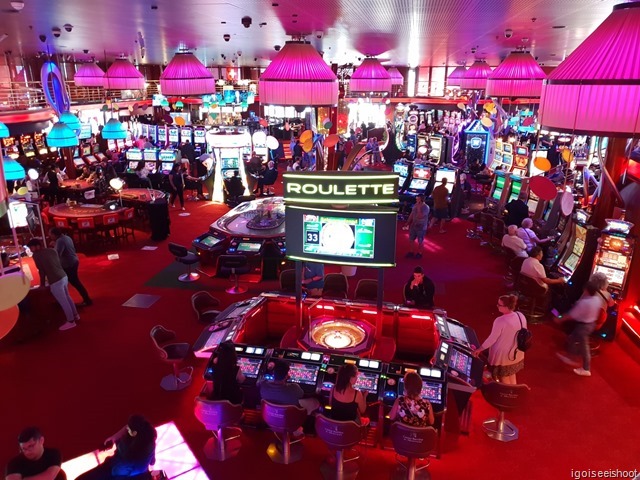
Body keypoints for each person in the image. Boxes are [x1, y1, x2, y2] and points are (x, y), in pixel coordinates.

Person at [555, 273, 614, 377]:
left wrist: (560, 318)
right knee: (573, 338)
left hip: (585, 324)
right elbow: (612, 304)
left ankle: (586, 368)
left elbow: (574, 311)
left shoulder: (586, 299)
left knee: (583, 345)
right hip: (597, 321)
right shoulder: (606, 295)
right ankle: (570, 357)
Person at [76, 415, 156, 480]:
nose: (127, 429)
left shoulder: (127, 454)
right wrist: (113, 438)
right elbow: (127, 427)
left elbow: (118, 469)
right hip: (120, 470)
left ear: (134, 433)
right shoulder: (149, 441)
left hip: (116, 472)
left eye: (129, 429)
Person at [26, 238, 79, 331]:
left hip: (55, 280)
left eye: (31, 247)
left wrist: (42, 284)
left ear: (37, 246)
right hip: (63, 276)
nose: (30, 250)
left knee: (63, 301)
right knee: (67, 297)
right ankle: (76, 315)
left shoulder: (37, 255)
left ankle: (71, 321)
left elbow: (41, 271)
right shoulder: (51, 250)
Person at [473, 294, 526, 384]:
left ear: (506, 306)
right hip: (517, 353)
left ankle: (507, 396)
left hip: (504, 356)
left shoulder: (500, 320)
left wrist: (480, 349)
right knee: (511, 374)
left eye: (499, 305)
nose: (497, 306)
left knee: (504, 378)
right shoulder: (520, 315)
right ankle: (514, 394)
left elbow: (492, 339)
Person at [49, 227, 92, 307]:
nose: (50, 236)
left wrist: (53, 247)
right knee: (74, 282)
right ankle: (86, 299)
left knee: (74, 282)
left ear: (54, 234)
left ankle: (87, 300)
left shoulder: (60, 241)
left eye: (50, 234)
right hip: (74, 261)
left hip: (69, 264)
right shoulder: (66, 237)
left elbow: (57, 254)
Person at [405, 194, 430, 258]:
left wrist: (419, 207)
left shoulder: (425, 207)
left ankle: (419, 253)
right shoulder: (415, 205)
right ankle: (411, 251)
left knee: (420, 240)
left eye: (417, 199)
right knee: (411, 239)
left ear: (421, 199)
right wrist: (408, 222)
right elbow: (412, 214)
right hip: (413, 225)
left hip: (421, 227)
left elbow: (420, 216)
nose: (416, 200)